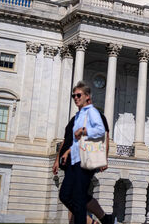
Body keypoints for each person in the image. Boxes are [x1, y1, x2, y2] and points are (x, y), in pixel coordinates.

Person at [59, 81, 111, 224]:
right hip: (75, 159)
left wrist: (83, 130)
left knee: (79, 197)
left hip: (85, 160)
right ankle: (93, 221)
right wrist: (67, 151)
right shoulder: (78, 115)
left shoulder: (92, 112)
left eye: (78, 95)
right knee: (65, 195)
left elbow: (101, 131)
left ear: (87, 96)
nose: (75, 98)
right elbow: (77, 141)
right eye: (73, 95)